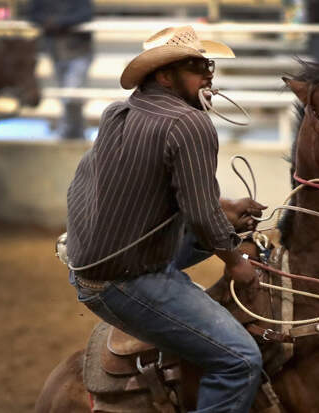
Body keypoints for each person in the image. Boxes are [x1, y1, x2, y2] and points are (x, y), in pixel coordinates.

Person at [66, 26, 266, 412]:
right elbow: (201, 215)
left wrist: (223, 211)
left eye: (208, 64)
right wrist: (235, 262)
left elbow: (155, 190)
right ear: (164, 75)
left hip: (89, 264)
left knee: (221, 228)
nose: (208, 73)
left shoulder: (118, 111)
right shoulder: (190, 124)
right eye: (195, 65)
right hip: (125, 278)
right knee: (239, 361)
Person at [30, 0, 93, 139]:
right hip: (56, 50)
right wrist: (49, 22)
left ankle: (68, 132)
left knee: (70, 94)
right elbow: (33, 14)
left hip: (78, 49)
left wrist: (59, 23)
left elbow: (86, 13)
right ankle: (76, 133)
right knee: (67, 94)